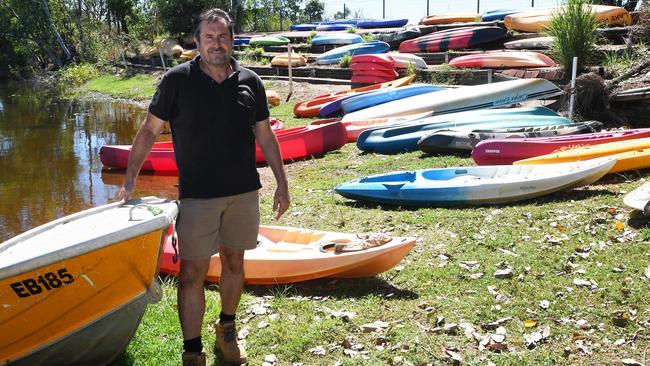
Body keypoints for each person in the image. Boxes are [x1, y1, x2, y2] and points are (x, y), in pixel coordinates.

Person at [117, 8, 290, 366]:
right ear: (197, 41)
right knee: (192, 273)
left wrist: (282, 182)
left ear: (231, 39)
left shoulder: (250, 81)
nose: (216, 43)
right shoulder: (177, 80)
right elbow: (149, 130)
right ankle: (192, 351)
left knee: (234, 262)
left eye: (223, 36)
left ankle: (227, 328)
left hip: (243, 191)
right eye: (209, 37)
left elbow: (264, 133)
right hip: (197, 196)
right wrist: (129, 180)